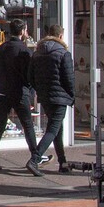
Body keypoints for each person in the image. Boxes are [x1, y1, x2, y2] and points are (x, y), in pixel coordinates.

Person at [0, 17, 39, 168]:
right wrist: (28, 87)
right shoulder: (24, 51)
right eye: (26, 30)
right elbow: (29, 74)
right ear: (22, 31)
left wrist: (3, 79)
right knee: (27, 124)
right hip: (19, 92)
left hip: (2, 92)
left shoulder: (0, 48)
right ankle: (35, 157)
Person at [27, 22, 76, 176]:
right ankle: (34, 159)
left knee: (57, 130)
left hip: (46, 96)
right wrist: (72, 95)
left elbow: (30, 76)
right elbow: (69, 78)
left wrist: (40, 90)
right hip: (60, 97)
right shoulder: (63, 53)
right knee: (53, 129)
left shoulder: (38, 53)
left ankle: (63, 162)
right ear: (61, 36)